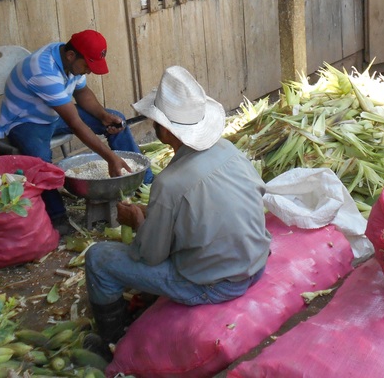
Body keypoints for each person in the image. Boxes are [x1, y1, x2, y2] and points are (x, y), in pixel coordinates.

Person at [83, 65, 271, 352]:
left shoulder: (169, 184)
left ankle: (114, 343)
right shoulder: (229, 151)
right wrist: (155, 212)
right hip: (256, 263)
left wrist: (136, 220)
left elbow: (149, 256)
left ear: (166, 130)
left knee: (98, 258)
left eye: (154, 122)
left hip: (215, 285)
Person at [0, 30, 153, 234]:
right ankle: (56, 214)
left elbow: (82, 92)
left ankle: (144, 181)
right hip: (26, 121)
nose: (88, 71)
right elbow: (75, 123)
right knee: (40, 158)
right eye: (87, 66)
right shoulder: (44, 71)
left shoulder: (70, 58)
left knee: (117, 120)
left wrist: (103, 116)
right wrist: (110, 158)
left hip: (53, 113)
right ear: (71, 56)